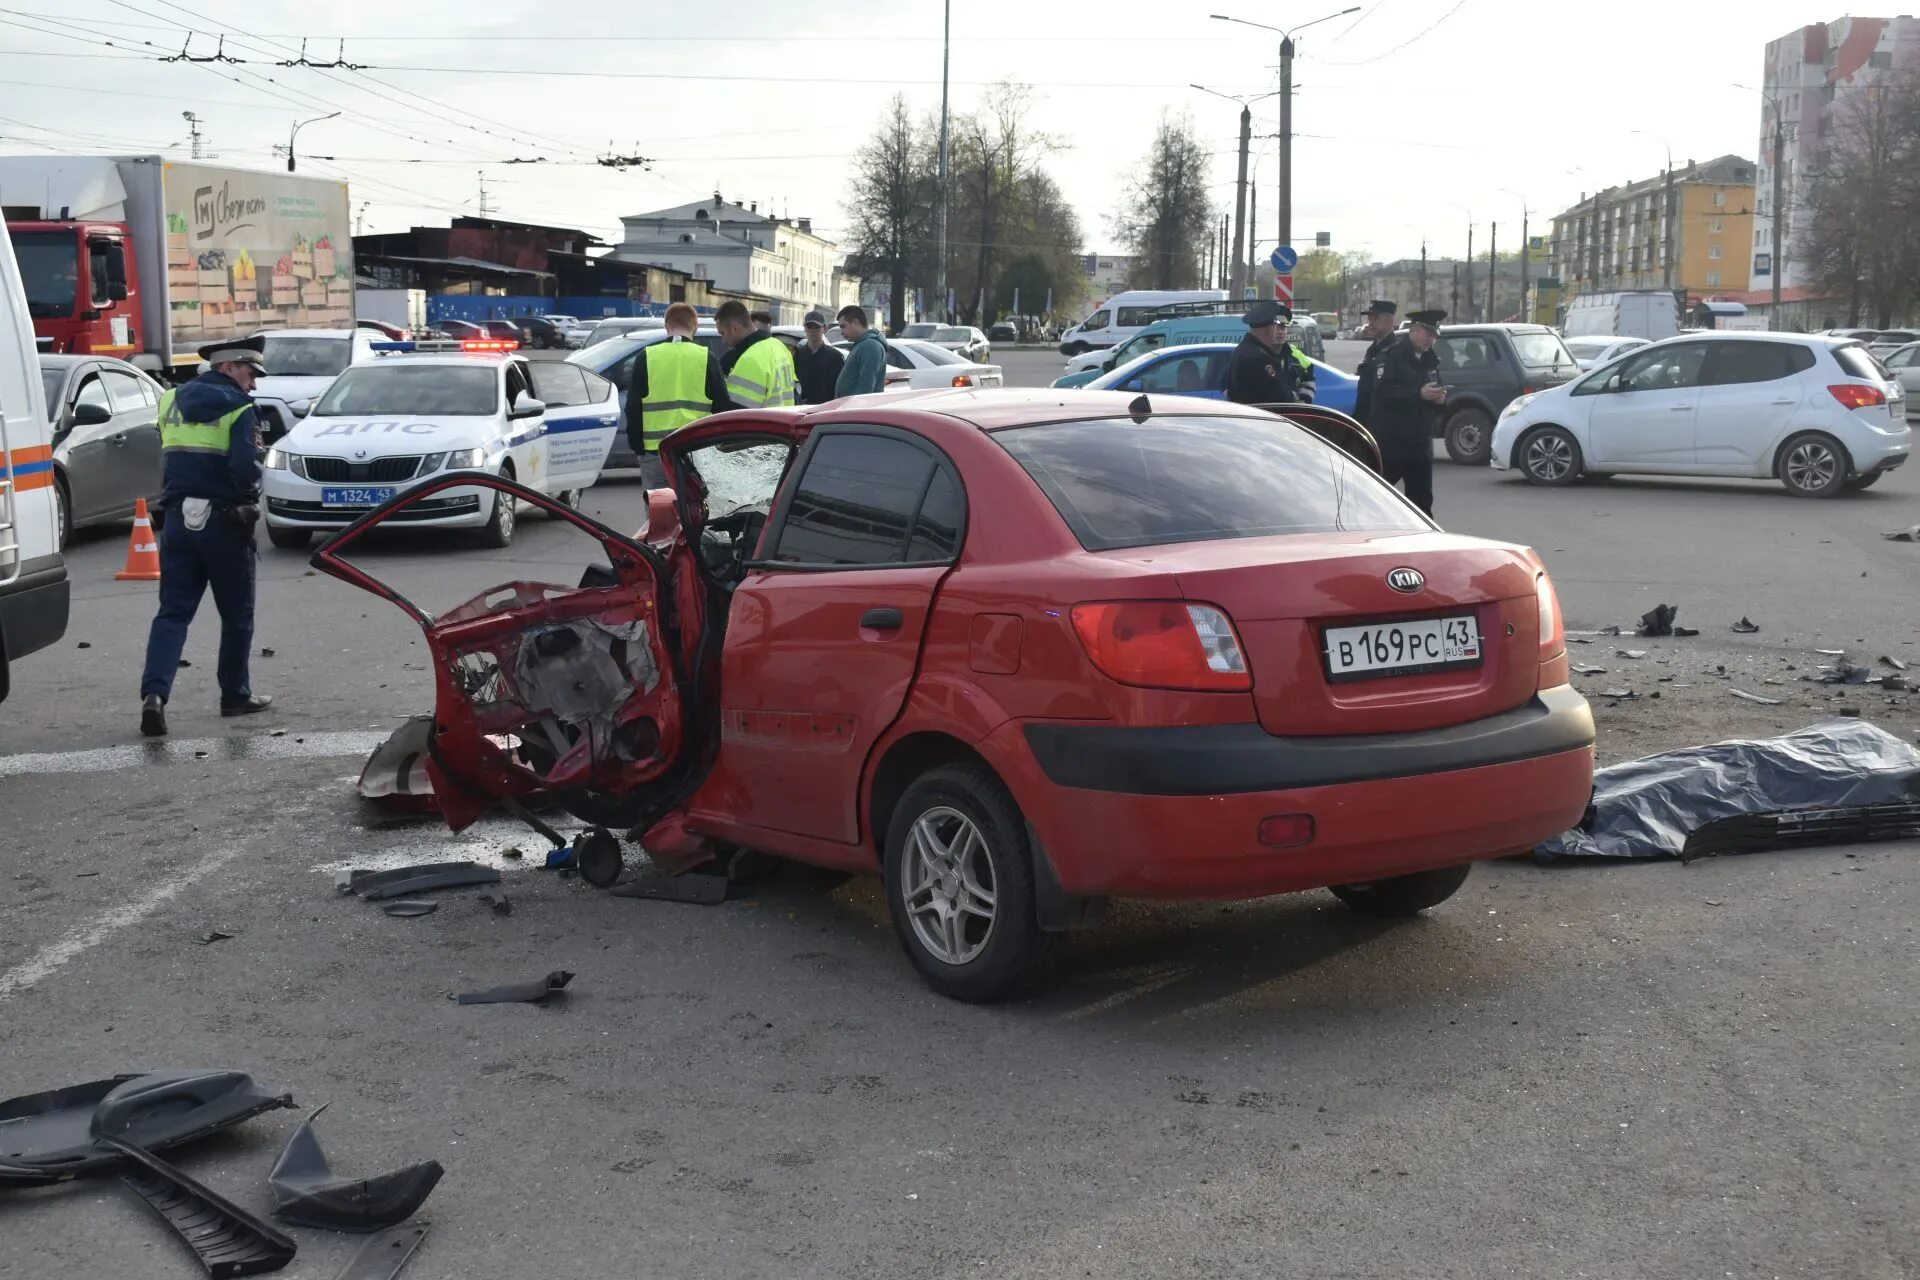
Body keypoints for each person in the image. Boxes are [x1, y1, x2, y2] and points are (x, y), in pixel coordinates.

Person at [138, 337, 273, 736]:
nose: (253, 384)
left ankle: (155, 695)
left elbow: (169, 452)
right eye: (250, 374)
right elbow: (245, 467)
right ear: (229, 367)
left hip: (178, 519)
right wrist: (248, 500)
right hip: (224, 522)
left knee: (173, 613)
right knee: (236, 615)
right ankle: (234, 695)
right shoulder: (241, 407)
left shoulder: (170, 400)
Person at [625, 301, 730, 488]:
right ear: (695, 327)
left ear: (666, 326)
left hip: (656, 451)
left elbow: (633, 406)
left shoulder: (647, 356)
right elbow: (722, 406)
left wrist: (637, 446)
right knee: (696, 508)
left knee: (659, 509)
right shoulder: (707, 358)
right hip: (697, 450)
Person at [1371, 308, 1447, 516]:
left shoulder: (1430, 360)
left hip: (1420, 443)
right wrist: (1417, 394)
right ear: (1414, 330)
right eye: (1428, 334)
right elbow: (1383, 392)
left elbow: (1435, 390)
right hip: (1392, 443)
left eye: (1434, 336)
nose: (1431, 341)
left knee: (1422, 503)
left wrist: (1439, 399)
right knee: (1376, 497)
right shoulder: (1391, 357)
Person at [1224, 300, 1316, 406]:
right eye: (1276, 326)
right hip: (1260, 418)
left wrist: (1304, 399)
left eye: (1283, 326)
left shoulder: (1245, 351)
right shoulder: (1257, 357)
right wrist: (1298, 403)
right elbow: (1281, 398)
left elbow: (1309, 374)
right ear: (1265, 328)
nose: (1279, 331)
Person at [716, 299, 796, 409]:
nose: (723, 340)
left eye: (722, 333)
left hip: (761, 425)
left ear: (735, 328)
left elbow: (737, 415)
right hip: (784, 422)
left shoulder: (749, 360)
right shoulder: (780, 347)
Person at [1351, 299, 1398, 427]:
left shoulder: (1396, 352)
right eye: (1369, 319)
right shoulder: (1373, 349)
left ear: (1391, 320)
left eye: (1376, 318)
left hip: (1383, 425)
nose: (1370, 323)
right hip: (1365, 421)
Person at [792, 309, 846, 405]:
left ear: (824, 329)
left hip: (826, 409)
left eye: (816, 327)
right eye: (809, 327)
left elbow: (841, 387)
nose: (813, 331)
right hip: (802, 408)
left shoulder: (835, 357)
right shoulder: (798, 354)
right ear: (804, 328)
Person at [834, 304, 887, 397]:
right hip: (850, 408)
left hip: (857, 409)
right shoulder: (861, 345)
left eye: (843, 326)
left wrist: (853, 408)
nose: (841, 332)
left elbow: (865, 389)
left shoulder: (870, 346)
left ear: (855, 322)